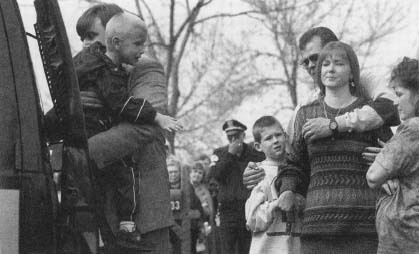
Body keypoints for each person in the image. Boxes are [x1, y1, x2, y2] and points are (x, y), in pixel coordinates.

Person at [242, 27, 399, 190]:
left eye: (315, 58)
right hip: (322, 201)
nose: (311, 65)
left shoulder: (366, 81)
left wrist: (334, 125)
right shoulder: (304, 107)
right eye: (305, 62)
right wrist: (258, 169)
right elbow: (290, 155)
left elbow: (391, 108)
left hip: (370, 194)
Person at [276, 41, 393, 253]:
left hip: (364, 230)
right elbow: (293, 164)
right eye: (325, 64)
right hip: (317, 230)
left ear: (352, 73)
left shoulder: (369, 114)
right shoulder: (306, 114)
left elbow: (394, 155)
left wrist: (388, 164)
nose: (330, 69)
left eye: (338, 63)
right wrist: (287, 190)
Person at [366, 57, 419, 254]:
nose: (396, 102)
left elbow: (373, 176)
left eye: (400, 94)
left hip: (405, 235)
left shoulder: (412, 128)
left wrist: (387, 158)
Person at [245, 116, 304, 254]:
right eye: (268, 138)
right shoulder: (258, 173)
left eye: (278, 135)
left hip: (295, 245)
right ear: (258, 146)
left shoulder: (298, 170)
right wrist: (276, 204)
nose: (276, 141)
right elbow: (252, 220)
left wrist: (300, 202)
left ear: (285, 135)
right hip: (268, 248)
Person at [209, 119, 265, 254]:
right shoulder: (219, 153)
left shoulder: (254, 153)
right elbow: (215, 175)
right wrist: (230, 155)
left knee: (247, 248)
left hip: (248, 208)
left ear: (243, 135)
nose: (233, 139)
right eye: (229, 136)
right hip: (227, 211)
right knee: (227, 249)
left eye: (236, 135)